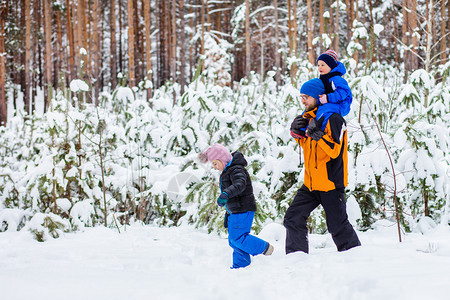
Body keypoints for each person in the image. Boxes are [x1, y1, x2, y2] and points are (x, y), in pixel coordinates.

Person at [285, 78, 361, 254]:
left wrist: (319, 135)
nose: (302, 100)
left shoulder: (334, 119)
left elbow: (335, 151)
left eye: (306, 97)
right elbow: (309, 148)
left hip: (330, 183)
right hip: (311, 184)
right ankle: (297, 258)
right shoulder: (310, 117)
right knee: (293, 218)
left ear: (318, 97)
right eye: (301, 97)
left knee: (337, 226)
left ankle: (355, 258)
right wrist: (297, 134)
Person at [198, 143, 274, 268]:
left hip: (243, 209)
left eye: (216, 163)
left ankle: (264, 248)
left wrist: (226, 194)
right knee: (234, 241)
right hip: (235, 211)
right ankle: (240, 266)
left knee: (238, 238)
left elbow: (240, 184)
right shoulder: (228, 170)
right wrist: (228, 213)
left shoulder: (236, 169)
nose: (215, 167)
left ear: (222, 159)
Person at [315, 49, 353, 129]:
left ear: (331, 66)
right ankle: (302, 129)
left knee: (325, 109)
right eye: (318, 65)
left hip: (342, 105)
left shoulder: (336, 79)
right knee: (312, 109)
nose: (319, 68)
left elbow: (344, 92)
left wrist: (328, 98)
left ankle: (320, 129)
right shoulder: (324, 78)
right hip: (331, 103)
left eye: (323, 65)